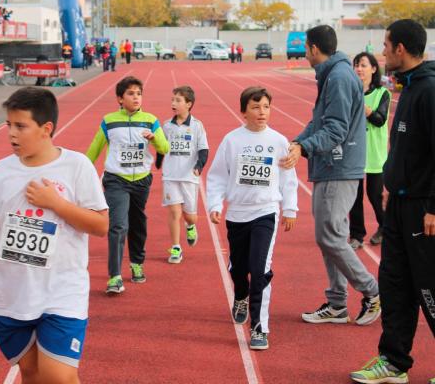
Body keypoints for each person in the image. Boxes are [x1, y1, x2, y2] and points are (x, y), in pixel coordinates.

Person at [0, 87, 109, 384]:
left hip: (62, 292)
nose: (11, 134)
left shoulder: (76, 167)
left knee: (59, 377)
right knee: (32, 375)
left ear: (46, 129)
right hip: (12, 295)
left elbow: (100, 225)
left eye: (21, 126)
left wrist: (56, 204)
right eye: (8, 125)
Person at [350, 19, 435, 384]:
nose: (382, 51)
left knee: (429, 286)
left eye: (385, 45)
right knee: (395, 283)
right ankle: (394, 362)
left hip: (423, 209)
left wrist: (433, 205)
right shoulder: (410, 88)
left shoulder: (429, 91)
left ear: (400, 48)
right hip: (399, 207)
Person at [280, 25, 381, 326]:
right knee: (329, 237)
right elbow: (318, 121)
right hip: (330, 166)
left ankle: (373, 293)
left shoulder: (337, 77)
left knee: (330, 236)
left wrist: (305, 147)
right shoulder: (332, 74)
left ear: (312, 48)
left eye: (305, 49)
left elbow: (335, 130)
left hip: (338, 166)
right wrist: (297, 142)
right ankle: (337, 303)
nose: (304, 54)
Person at [207, 87, 298, 350]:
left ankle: (259, 327)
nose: (262, 112)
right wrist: (215, 203)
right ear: (243, 111)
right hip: (237, 213)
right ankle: (241, 295)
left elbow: (288, 179)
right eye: (256, 107)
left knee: (259, 270)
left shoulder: (280, 141)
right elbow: (217, 176)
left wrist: (290, 209)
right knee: (239, 269)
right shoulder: (232, 140)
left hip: (265, 212)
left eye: (266, 106)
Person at [86, 76, 169, 294]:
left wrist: (154, 139)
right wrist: (82, 170)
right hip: (116, 180)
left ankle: (136, 263)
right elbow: (94, 149)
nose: (136, 97)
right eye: (131, 93)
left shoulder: (151, 120)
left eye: (139, 93)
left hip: (141, 180)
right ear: (120, 99)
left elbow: (165, 148)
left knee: (137, 223)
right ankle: (114, 276)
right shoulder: (110, 121)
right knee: (118, 225)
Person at [155, 86, 209, 264]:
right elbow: (163, 146)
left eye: (178, 100)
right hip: (170, 175)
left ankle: (191, 226)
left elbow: (203, 149)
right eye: (173, 100)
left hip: (188, 177)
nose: (174, 103)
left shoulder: (197, 125)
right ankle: (176, 247)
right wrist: (159, 161)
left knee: (189, 215)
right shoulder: (166, 125)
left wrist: (199, 166)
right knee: (173, 211)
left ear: (189, 104)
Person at [348, 52, 391, 250]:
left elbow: (380, 119)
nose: (359, 68)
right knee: (354, 196)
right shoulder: (349, 91)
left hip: (374, 152)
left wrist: (366, 109)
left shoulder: (383, 93)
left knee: (374, 194)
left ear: (373, 69)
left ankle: (385, 227)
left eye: (363, 65)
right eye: (356, 65)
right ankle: (357, 234)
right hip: (354, 150)